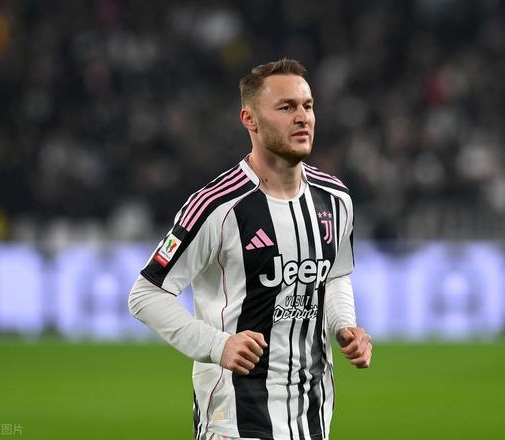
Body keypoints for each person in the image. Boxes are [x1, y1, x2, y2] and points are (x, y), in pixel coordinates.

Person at [128, 58, 371, 440]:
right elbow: (146, 294)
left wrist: (344, 325)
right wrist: (218, 345)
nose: (302, 117)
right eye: (286, 107)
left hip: (312, 417)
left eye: (307, 106)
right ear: (250, 119)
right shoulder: (216, 206)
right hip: (235, 420)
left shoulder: (335, 199)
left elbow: (336, 275)